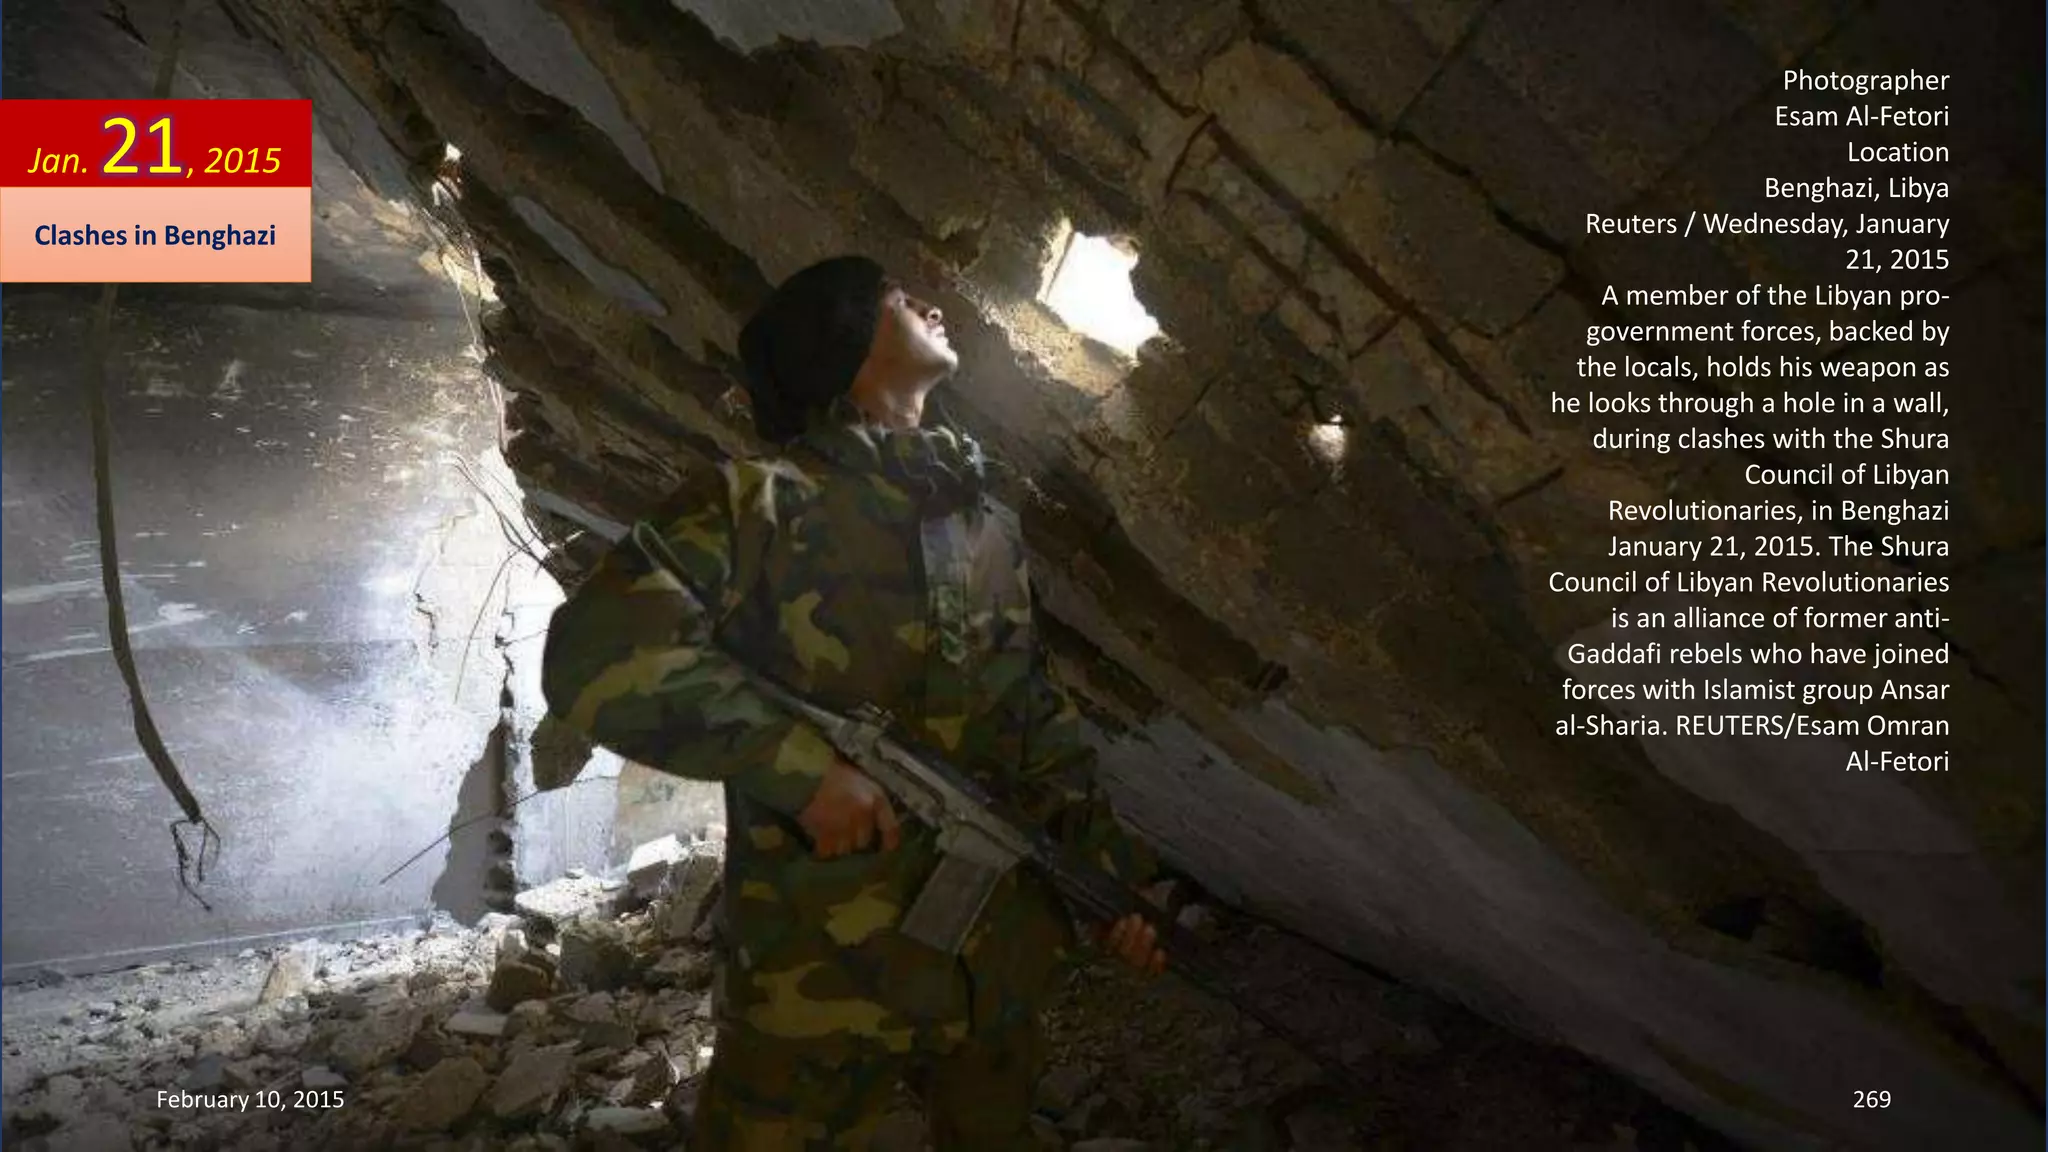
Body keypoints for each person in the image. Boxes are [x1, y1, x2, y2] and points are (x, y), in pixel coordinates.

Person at [540, 254, 1165, 1150]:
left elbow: (1035, 721)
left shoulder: (983, 522)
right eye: (896, 298)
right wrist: (797, 770)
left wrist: (1114, 889)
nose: (930, 303)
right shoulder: (759, 504)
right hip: (816, 979)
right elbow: (597, 652)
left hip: (990, 972)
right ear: (842, 346)